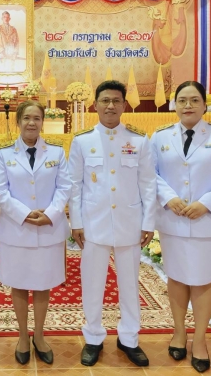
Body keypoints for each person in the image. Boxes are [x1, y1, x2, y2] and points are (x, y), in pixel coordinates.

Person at [150, 81, 211, 373]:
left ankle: (200, 340)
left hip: (208, 221)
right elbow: (149, 174)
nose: (187, 105)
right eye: (182, 100)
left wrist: (206, 203)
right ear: (174, 105)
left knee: (203, 280)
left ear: (205, 105)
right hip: (173, 218)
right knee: (176, 277)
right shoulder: (160, 137)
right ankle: (179, 332)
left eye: (194, 100)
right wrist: (169, 198)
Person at [68, 80, 157, 368]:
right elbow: (74, 186)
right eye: (104, 100)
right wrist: (77, 222)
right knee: (92, 283)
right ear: (95, 104)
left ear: (123, 104)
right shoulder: (82, 141)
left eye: (116, 100)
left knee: (130, 283)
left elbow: (148, 184)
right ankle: (93, 337)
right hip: (94, 224)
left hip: (129, 222)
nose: (110, 106)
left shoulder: (140, 140)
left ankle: (129, 338)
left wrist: (148, 222)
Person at [0, 100, 72, 365]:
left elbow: (64, 187)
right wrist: (25, 214)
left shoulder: (56, 153)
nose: (31, 123)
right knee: (19, 282)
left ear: (42, 121)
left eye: (37, 118)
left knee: (42, 284)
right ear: (18, 121)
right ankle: (23, 336)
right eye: (26, 118)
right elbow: (0, 191)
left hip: (49, 228)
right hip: (17, 229)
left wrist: (49, 214)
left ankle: (39, 335)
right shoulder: (4, 154)